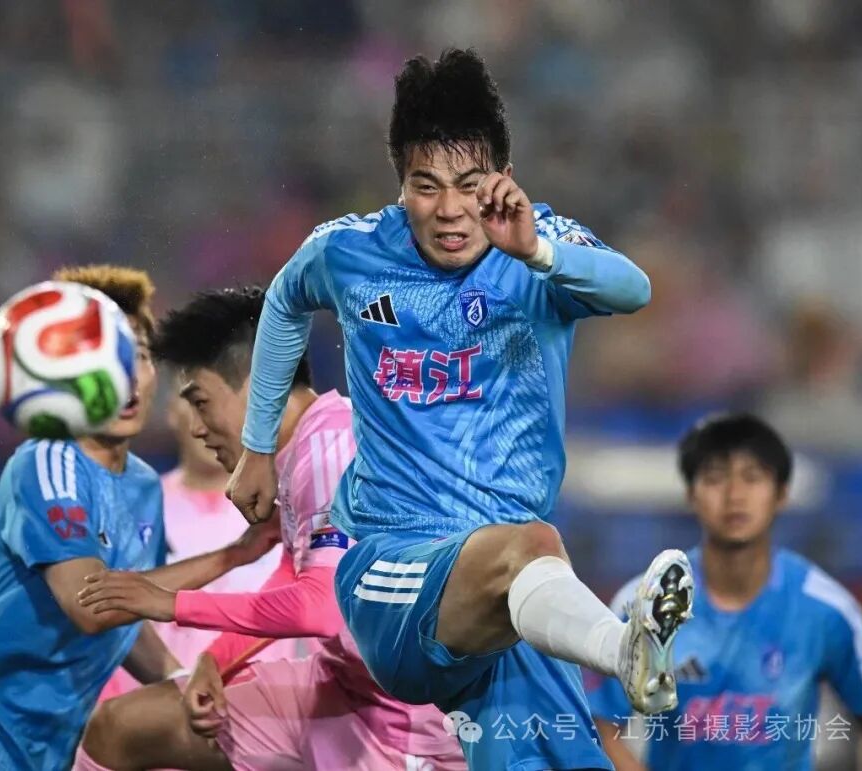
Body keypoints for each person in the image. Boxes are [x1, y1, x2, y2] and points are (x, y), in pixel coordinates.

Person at [226, 48, 694, 770]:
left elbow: (634, 289)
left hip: (515, 592)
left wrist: (536, 252)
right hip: (393, 569)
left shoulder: (540, 248)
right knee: (529, 545)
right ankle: (622, 647)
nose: (449, 209)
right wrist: (258, 446)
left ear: (502, 177)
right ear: (400, 185)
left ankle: (622, 651)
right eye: (426, 186)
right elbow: (285, 299)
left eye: (470, 186)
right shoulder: (350, 252)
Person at [0, 266, 277, 770]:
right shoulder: (47, 461)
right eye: (103, 358)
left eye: (138, 355)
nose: (123, 377)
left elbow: (126, 616)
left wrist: (179, 679)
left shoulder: (144, 484)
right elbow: (92, 606)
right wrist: (233, 556)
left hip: (48, 747)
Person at [72, 287, 465, 771]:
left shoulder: (332, 451)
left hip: (403, 725)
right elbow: (296, 571)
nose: (196, 428)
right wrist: (216, 659)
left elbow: (322, 607)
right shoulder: (302, 449)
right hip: (338, 688)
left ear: (262, 385)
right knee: (119, 728)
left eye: (202, 402)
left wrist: (170, 604)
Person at [587, 413, 862, 770]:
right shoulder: (645, 603)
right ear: (691, 494)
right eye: (715, 479)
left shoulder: (825, 608)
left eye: (753, 477)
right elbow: (599, 724)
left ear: (781, 494)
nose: (734, 495)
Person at [96, 387, 295, 702]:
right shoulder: (131, 508)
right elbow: (109, 619)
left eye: (226, 402)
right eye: (197, 403)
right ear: (171, 411)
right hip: (153, 714)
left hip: (263, 713)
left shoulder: (291, 508)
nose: (210, 420)